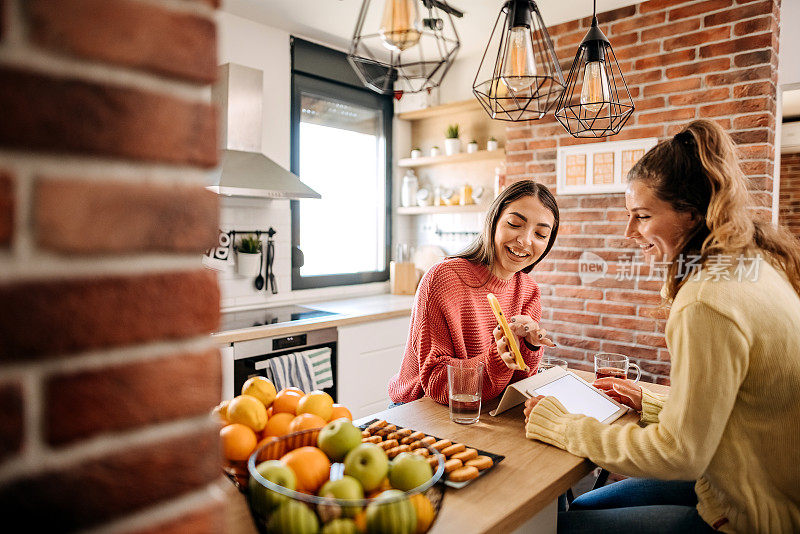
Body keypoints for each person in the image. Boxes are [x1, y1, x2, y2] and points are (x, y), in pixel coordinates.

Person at [523, 120, 800, 533]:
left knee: (556, 526)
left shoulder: (706, 300)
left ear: (691, 213)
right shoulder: (756, 264)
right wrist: (652, 405)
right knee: (580, 509)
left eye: (642, 216)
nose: (629, 232)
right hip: (747, 484)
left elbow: (679, 454)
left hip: (754, 517)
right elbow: (736, 408)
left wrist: (562, 425)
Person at [388, 180, 559, 405]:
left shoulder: (528, 291)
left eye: (540, 234)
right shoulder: (444, 277)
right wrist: (497, 359)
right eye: (515, 224)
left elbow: (517, 384)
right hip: (419, 408)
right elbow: (436, 382)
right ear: (494, 221)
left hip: (483, 406)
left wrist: (529, 347)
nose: (525, 240)